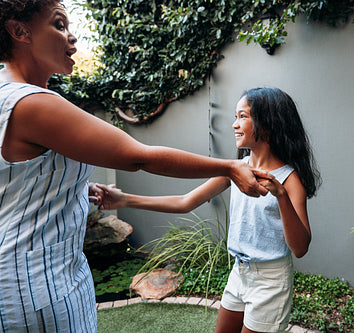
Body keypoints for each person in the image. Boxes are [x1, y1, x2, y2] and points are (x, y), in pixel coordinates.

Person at [0, 1, 272, 332]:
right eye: (59, 25)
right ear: (19, 31)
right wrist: (229, 167)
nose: (72, 38)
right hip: (35, 283)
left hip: (45, 275)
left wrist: (76, 188)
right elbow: (137, 156)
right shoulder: (31, 103)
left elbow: (16, 182)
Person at [98, 87, 321, 333]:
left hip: (270, 280)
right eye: (235, 117)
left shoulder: (290, 180)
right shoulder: (236, 169)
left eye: (243, 116)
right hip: (239, 272)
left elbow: (300, 248)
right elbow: (185, 202)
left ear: (268, 124)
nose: (235, 125)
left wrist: (280, 196)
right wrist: (124, 200)